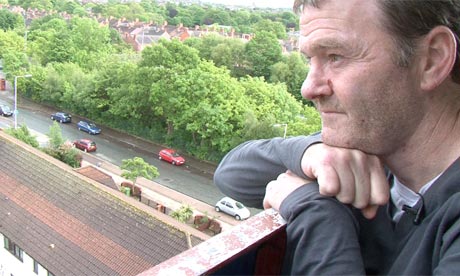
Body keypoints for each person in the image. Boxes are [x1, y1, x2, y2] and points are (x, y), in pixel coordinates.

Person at [214, 0, 460, 274]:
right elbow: (231, 174)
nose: (308, 88)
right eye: (310, 59)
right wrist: (311, 152)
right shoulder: (371, 149)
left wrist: (314, 213)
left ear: (432, 60)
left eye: (335, 56)